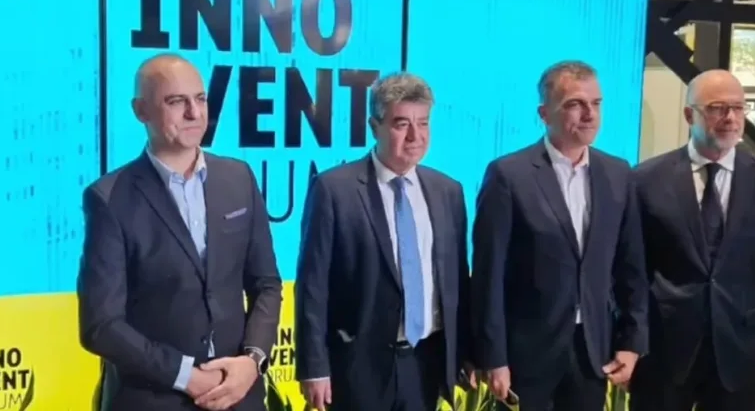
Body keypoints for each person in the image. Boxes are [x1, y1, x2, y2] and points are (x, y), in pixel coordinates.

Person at [77, 53, 282, 411]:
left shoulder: (239, 178)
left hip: (240, 394)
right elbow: (101, 325)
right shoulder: (109, 198)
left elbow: (266, 284)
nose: (194, 113)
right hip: (154, 400)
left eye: (200, 99)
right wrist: (186, 376)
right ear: (141, 111)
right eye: (176, 102)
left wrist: (252, 361)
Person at [471, 60, 649, 411]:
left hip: (592, 351)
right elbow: (488, 277)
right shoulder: (509, 175)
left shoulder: (617, 173)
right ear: (544, 114)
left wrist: (631, 342)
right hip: (525, 354)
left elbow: (631, 266)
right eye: (575, 104)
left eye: (596, 103)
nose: (589, 114)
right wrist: (493, 356)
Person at [295, 72, 472, 411]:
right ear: (374, 127)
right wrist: (314, 367)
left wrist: (465, 353)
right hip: (358, 368)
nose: (415, 136)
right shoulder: (334, 189)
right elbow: (312, 287)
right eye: (401, 124)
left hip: (426, 362)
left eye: (423, 123)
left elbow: (457, 282)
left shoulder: (448, 191)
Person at [629, 69, 755, 411]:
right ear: (689, 115)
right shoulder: (645, 180)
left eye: (738, 108)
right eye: (717, 108)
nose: (730, 118)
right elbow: (631, 272)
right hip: (663, 350)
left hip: (739, 348)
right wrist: (628, 342)